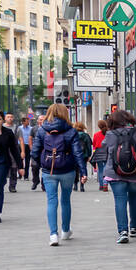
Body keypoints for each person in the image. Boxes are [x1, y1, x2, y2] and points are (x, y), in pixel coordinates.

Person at [30, 102, 86, 245]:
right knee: (65, 200)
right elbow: (78, 153)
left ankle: (53, 234)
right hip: (68, 170)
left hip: (49, 171)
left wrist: (43, 163)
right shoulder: (71, 130)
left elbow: (34, 152)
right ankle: (65, 231)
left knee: (51, 201)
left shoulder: (42, 130)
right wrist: (83, 172)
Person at [102, 108, 136, 244]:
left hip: (115, 172)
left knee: (120, 200)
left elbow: (104, 149)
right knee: (134, 199)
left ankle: (123, 231)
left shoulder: (110, 134)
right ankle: (134, 228)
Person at [73, 121, 94, 192]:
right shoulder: (86, 135)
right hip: (84, 155)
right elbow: (89, 146)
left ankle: (75, 185)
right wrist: (89, 155)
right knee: (83, 168)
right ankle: (82, 186)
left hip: (75, 155)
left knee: (75, 170)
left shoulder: (73, 135)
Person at [91, 118, 109, 191]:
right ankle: (105, 183)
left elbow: (94, 144)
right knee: (106, 168)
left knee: (100, 169)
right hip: (107, 152)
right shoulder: (108, 134)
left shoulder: (96, 135)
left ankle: (101, 185)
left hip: (98, 152)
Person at [30, 114, 47, 190]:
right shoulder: (34, 128)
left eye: (43, 119)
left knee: (45, 168)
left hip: (45, 151)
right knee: (34, 167)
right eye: (40, 119)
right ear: (37, 121)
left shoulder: (48, 128)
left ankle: (44, 184)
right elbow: (30, 138)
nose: (42, 121)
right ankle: (35, 181)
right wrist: (31, 148)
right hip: (36, 150)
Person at [18, 115, 33, 185]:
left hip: (28, 145)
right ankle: (20, 174)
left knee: (27, 161)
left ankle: (26, 176)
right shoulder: (19, 128)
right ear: (23, 122)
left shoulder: (31, 129)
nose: (28, 122)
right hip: (20, 145)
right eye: (27, 121)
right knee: (20, 160)